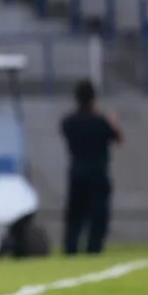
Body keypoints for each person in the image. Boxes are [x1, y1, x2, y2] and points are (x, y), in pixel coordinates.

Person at [60, 79, 123, 255]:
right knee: (98, 214)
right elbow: (119, 139)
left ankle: (70, 247)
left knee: (75, 215)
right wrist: (113, 124)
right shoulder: (100, 122)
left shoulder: (69, 121)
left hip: (77, 172)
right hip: (97, 173)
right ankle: (93, 247)